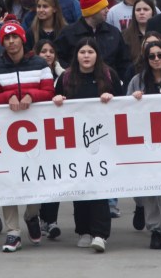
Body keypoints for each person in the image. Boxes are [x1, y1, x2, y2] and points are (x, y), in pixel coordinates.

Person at [0, 20, 55, 252]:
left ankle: (31, 215)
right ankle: (13, 232)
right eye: (6, 38)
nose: (11, 42)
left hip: (36, 135)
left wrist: (31, 96)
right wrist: (8, 98)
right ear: (2, 42)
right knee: (8, 183)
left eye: (15, 37)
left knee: (35, 179)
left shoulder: (39, 64)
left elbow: (49, 91)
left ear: (23, 39)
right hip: (5, 136)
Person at [52, 37, 120, 252]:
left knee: (98, 186)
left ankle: (100, 234)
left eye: (91, 52)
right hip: (74, 142)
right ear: (77, 55)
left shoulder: (109, 75)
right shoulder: (65, 77)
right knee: (80, 185)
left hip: (103, 141)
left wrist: (113, 98)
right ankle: (83, 230)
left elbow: (124, 103)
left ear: (97, 55)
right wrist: (57, 100)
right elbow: (53, 102)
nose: (87, 56)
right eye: (83, 52)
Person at [125, 40, 161, 250]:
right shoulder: (136, 81)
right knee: (148, 187)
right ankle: (154, 229)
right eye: (152, 56)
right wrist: (133, 99)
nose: (157, 59)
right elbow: (124, 111)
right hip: (144, 145)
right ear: (146, 59)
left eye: (160, 55)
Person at [55, 0, 132, 87]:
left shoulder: (113, 32)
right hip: (77, 87)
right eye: (103, 8)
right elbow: (58, 58)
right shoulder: (68, 33)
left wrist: (121, 82)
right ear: (92, 11)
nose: (107, 10)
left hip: (109, 86)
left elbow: (124, 61)